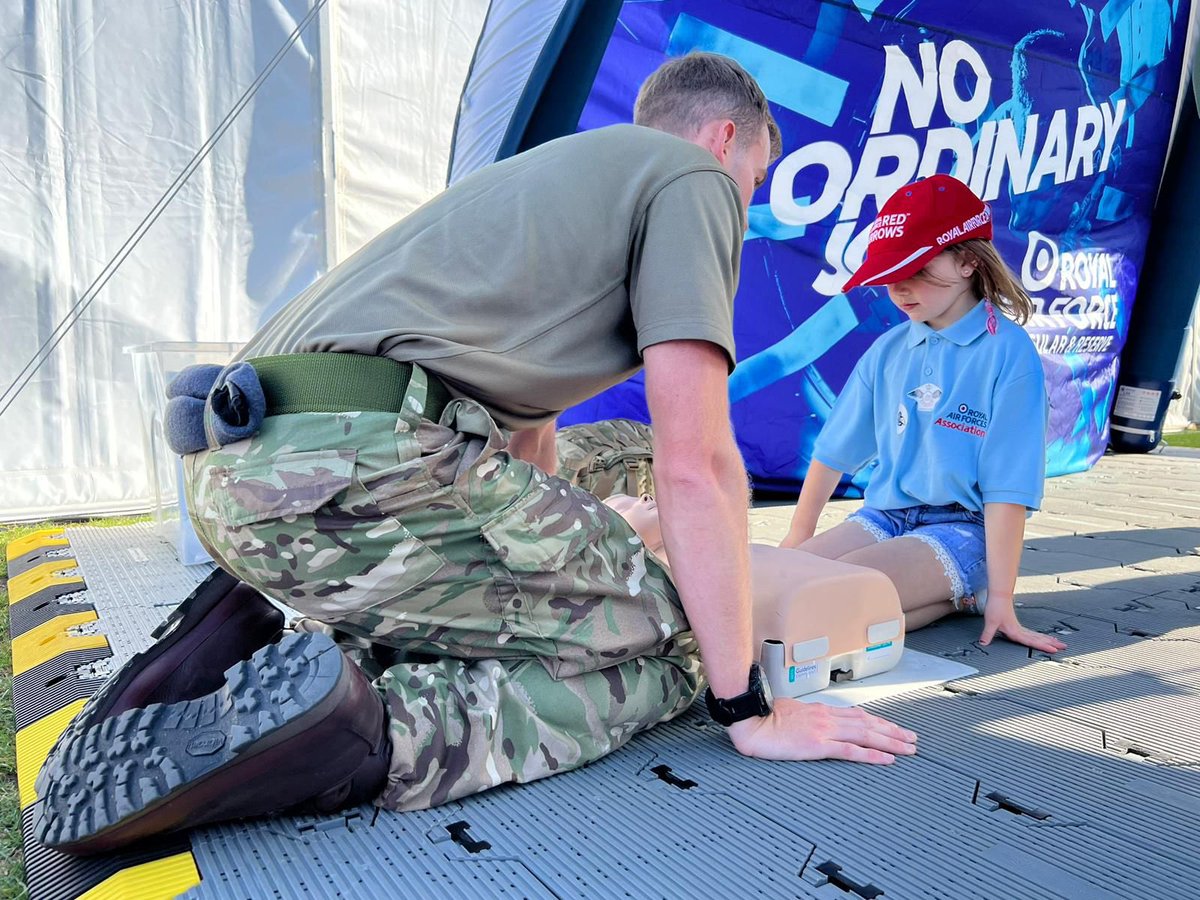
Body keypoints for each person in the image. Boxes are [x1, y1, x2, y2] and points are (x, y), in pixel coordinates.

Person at [36, 52, 916, 854]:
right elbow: (701, 463)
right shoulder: (694, 179)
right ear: (728, 138)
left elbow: (530, 438)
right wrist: (745, 706)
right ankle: (360, 726)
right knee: (683, 641)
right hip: (362, 469)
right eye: (756, 172)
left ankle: (220, 664)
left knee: (574, 571)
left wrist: (564, 560)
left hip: (244, 484)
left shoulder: (558, 180)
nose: (749, 195)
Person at [779, 174, 1067, 656]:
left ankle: (965, 591)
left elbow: (1007, 489)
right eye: (890, 272)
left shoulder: (1009, 353)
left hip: (961, 528)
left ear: (968, 262)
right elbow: (834, 451)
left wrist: (1002, 598)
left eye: (917, 269)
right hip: (884, 515)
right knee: (782, 580)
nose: (899, 288)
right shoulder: (887, 349)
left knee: (826, 605)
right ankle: (952, 597)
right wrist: (797, 535)